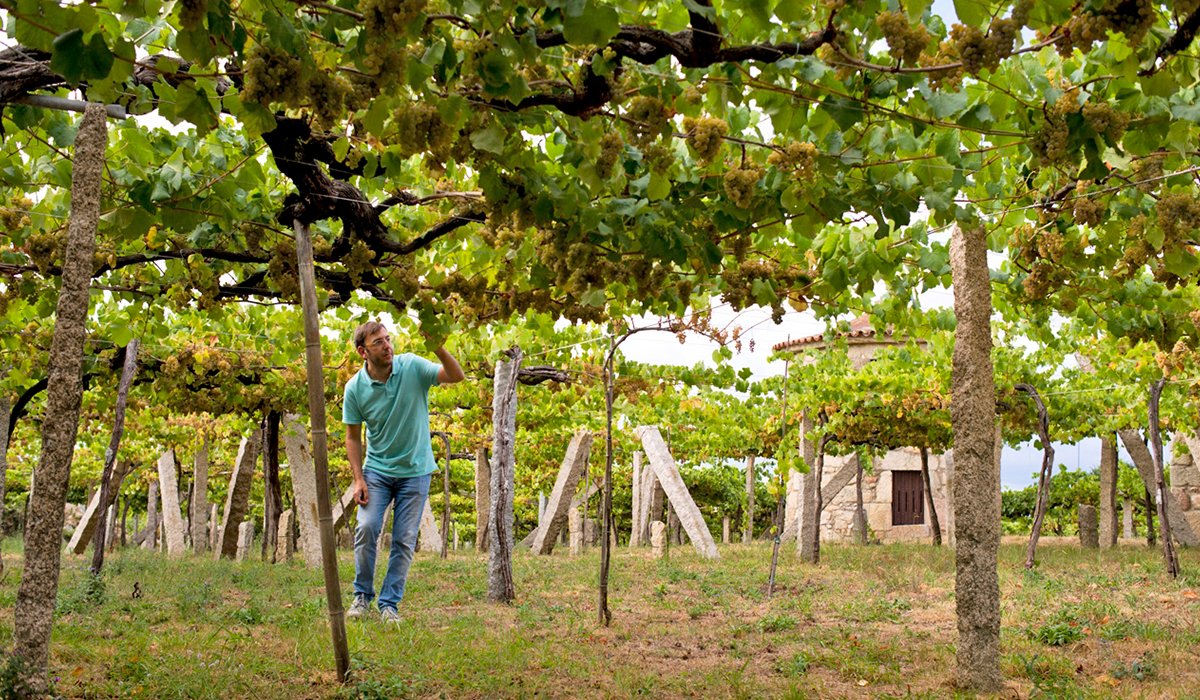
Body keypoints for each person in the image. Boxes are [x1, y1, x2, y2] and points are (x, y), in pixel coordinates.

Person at [342, 320, 465, 623]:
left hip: (416, 471)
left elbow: (455, 375)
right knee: (367, 528)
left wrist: (437, 347)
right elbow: (353, 437)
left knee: (404, 539)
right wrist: (358, 478)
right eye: (379, 342)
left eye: (388, 339)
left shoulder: (411, 366)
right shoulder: (355, 388)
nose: (388, 346)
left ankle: (389, 605)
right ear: (363, 352)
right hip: (377, 471)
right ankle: (362, 596)